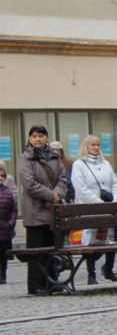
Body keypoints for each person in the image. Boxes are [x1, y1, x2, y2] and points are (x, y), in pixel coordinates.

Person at [17, 125, 68, 294]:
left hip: (52, 210)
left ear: (46, 137)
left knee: (52, 247)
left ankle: (52, 282)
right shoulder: (25, 158)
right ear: (29, 139)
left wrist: (57, 196)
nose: (37, 139)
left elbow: (63, 179)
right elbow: (29, 184)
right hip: (35, 210)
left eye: (40, 136)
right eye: (34, 136)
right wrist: (51, 196)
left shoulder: (54, 156)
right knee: (36, 249)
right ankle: (36, 285)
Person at [71, 135, 117, 284]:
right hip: (90, 207)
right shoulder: (78, 165)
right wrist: (98, 203)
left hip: (108, 207)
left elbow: (114, 184)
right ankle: (91, 274)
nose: (96, 148)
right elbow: (81, 188)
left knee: (110, 238)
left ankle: (109, 269)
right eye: (92, 145)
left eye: (98, 145)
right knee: (91, 240)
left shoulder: (106, 164)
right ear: (86, 147)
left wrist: (114, 201)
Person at [0, 162, 17, 284]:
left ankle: (3, 275)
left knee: (3, 255)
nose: (0, 178)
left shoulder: (7, 192)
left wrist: (10, 224)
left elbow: (13, 210)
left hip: (4, 229)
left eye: (2, 176)